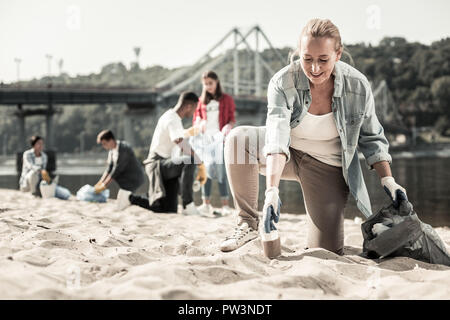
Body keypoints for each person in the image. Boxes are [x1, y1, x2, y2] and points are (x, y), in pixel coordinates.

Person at [220, 18, 407, 254]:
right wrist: (272, 192)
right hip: (286, 155)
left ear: (338, 55)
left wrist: (388, 180)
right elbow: (276, 136)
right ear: (299, 54)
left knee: (326, 250)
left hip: (326, 166)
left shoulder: (357, 86)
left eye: (323, 60)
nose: (315, 68)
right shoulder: (283, 82)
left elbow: (372, 138)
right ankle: (248, 223)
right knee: (238, 139)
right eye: (307, 59)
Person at [117, 91, 207, 215]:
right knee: (190, 160)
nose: (193, 114)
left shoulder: (172, 116)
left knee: (167, 209)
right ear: (188, 106)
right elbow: (179, 141)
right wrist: (200, 163)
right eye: (194, 109)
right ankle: (188, 205)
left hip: (165, 165)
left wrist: (188, 132)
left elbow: (175, 135)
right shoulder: (172, 119)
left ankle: (129, 198)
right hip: (157, 164)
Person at [192, 71, 235, 216]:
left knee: (221, 171)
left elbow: (231, 119)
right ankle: (206, 204)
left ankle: (225, 206)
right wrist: (199, 121)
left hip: (220, 139)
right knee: (205, 171)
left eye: (210, 83)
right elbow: (196, 118)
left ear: (217, 82)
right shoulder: (201, 101)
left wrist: (228, 126)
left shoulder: (227, 99)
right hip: (205, 140)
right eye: (205, 84)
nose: (208, 86)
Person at [19, 135, 71, 200]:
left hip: (40, 183)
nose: (41, 145)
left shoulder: (44, 156)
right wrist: (40, 170)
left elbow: (44, 171)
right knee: (33, 173)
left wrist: (49, 178)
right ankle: (33, 193)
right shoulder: (27, 154)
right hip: (27, 184)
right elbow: (30, 166)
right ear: (33, 144)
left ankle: (41, 191)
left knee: (65, 194)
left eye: (42, 143)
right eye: (38, 143)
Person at [95, 130, 145, 194]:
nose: (104, 146)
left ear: (111, 140)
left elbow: (117, 170)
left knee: (128, 197)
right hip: (126, 179)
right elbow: (109, 168)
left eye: (104, 143)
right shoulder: (112, 151)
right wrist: (100, 182)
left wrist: (104, 185)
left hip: (135, 178)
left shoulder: (124, 149)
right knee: (125, 196)